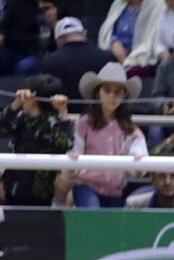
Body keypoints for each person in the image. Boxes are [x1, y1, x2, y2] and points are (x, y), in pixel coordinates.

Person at [70, 62, 148, 207]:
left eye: (117, 92)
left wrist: (137, 160)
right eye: (107, 90)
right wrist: (74, 156)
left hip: (115, 190)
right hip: (86, 185)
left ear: (124, 95)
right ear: (97, 93)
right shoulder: (84, 123)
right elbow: (76, 150)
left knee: (113, 228)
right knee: (93, 218)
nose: (112, 96)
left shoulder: (131, 129)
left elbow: (140, 161)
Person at [0, 75, 72, 206]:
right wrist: (14, 106)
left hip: (39, 194)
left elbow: (65, 144)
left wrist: (63, 112)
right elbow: (2, 127)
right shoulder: (21, 117)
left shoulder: (54, 123)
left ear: (33, 98)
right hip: (12, 188)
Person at [0, 0, 76, 76]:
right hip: (14, 48)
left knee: (26, 66)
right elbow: (5, 27)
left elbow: (72, 36)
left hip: (43, 54)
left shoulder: (63, 0)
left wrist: (56, 22)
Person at [98, 0, 166, 76]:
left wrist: (126, 60)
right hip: (113, 53)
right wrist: (114, 41)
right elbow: (107, 30)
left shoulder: (158, 6)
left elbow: (150, 41)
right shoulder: (119, 2)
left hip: (140, 59)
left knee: (133, 71)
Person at [41, 17, 114, 108]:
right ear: (84, 33)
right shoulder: (107, 57)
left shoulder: (48, 61)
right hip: (99, 117)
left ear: (57, 40)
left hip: (63, 115)